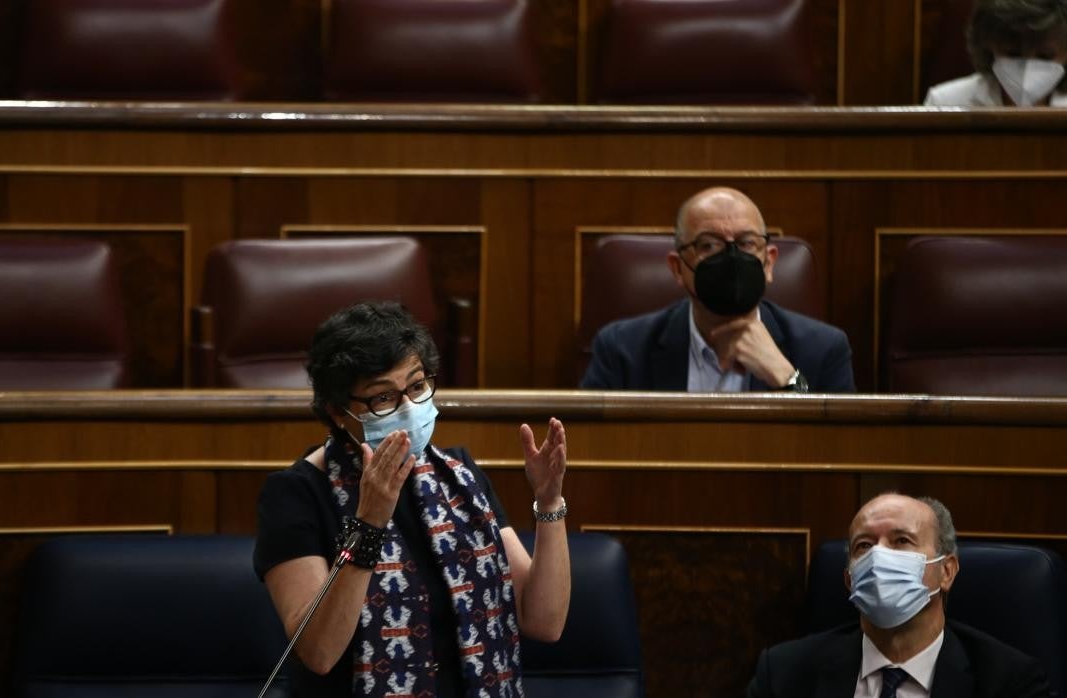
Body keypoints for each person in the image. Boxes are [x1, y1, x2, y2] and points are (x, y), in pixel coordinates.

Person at [254, 301, 570, 697]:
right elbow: (319, 651)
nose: (408, 408)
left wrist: (549, 501)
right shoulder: (296, 494)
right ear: (338, 412)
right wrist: (368, 524)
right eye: (383, 398)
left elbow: (544, 621)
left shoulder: (459, 476)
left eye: (417, 386)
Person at [747, 493, 1051, 697]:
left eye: (901, 541)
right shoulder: (784, 675)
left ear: (946, 572)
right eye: (864, 545)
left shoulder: (1011, 683)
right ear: (849, 580)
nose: (879, 556)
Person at [581, 187, 855, 392]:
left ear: (769, 262)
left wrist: (788, 380)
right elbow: (590, 449)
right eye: (709, 245)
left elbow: (842, 456)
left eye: (746, 243)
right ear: (678, 268)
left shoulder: (824, 350)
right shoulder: (622, 350)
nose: (732, 258)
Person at [925, 0, 1067, 106]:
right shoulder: (944, 102)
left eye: (1044, 56)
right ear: (988, 45)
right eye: (1013, 53)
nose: (1027, 68)